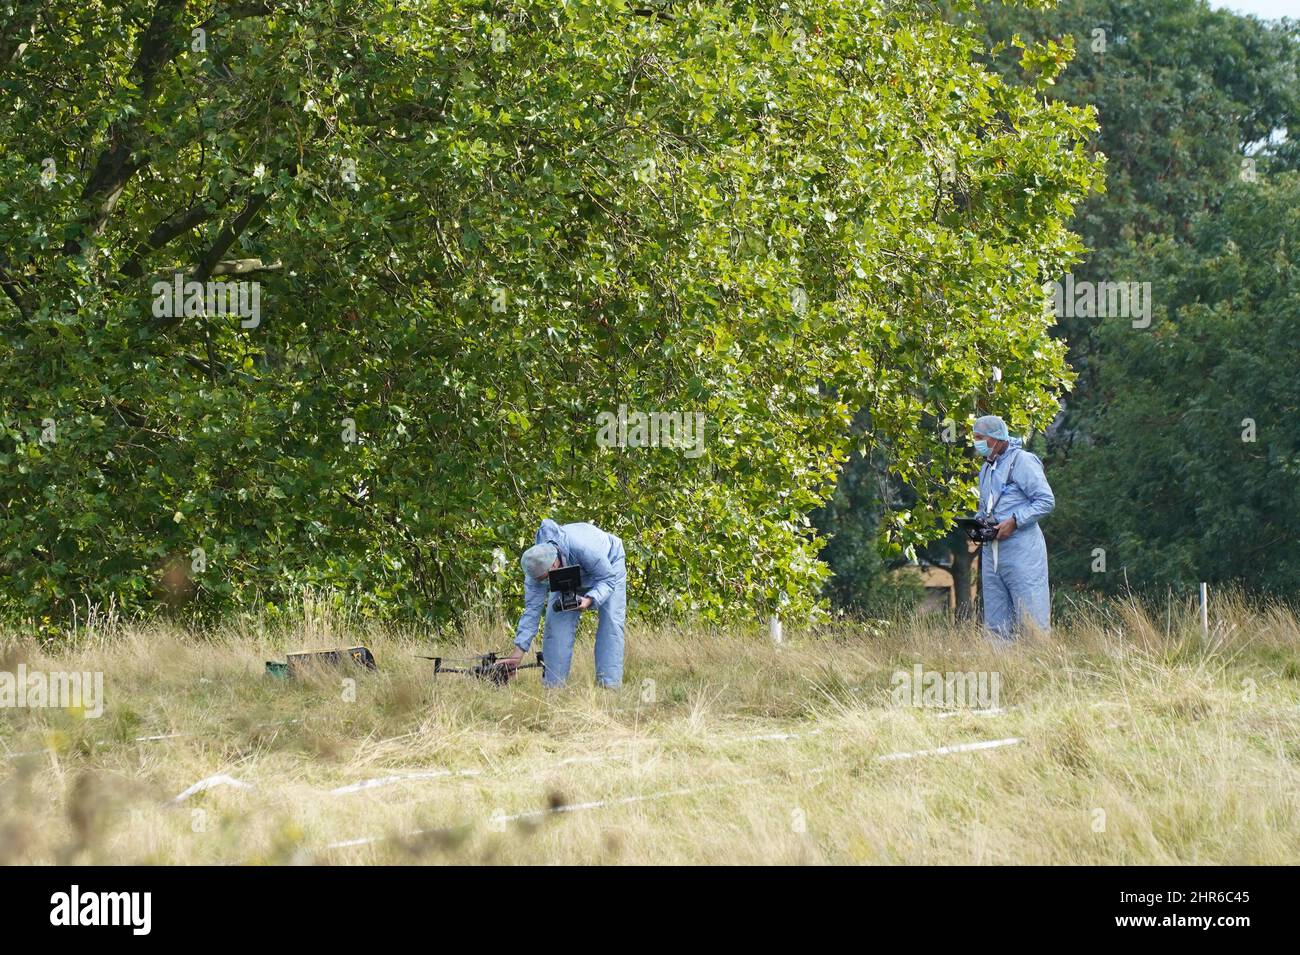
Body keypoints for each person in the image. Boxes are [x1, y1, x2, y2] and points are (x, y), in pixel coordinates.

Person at [502, 518, 626, 687]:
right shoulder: (535, 566)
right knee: (555, 628)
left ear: (554, 565)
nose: (543, 583)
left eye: (545, 579)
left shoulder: (582, 547)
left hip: (609, 566)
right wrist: (517, 655)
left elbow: (607, 579)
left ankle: (608, 687)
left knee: (611, 623)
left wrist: (589, 599)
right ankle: (553, 688)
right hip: (567, 573)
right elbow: (532, 610)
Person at [972, 415, 1055, 637]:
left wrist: (1015, 521)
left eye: (980, 438)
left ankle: (1039, 669)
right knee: (996, 627)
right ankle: (1003, 670)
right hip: (992, 555)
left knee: (1032, 623)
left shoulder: (1023, 461)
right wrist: (977, 522)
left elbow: (1046, 501)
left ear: (997, 438)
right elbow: (986, 507)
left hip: (1022, 552)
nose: (976, 443)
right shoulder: (986, 469)